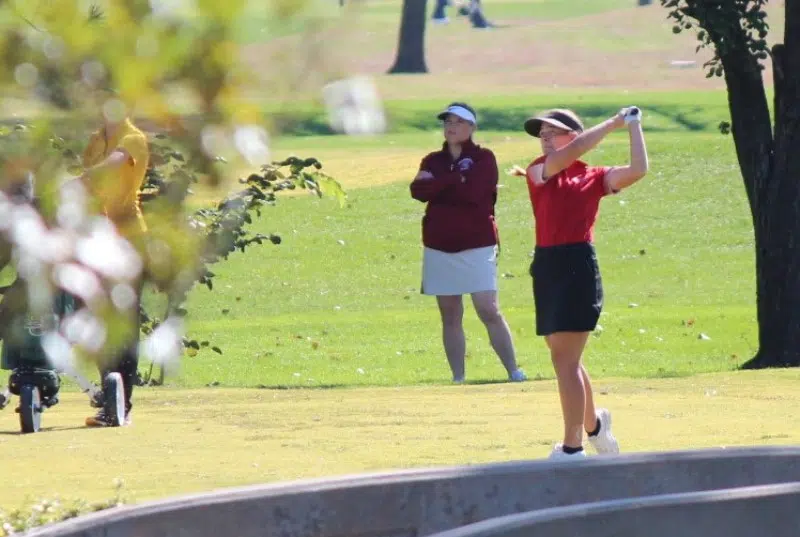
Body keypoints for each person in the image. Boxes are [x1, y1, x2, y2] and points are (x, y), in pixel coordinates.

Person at [509, 107, 648, 459]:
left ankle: (572, 449)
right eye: (541, 135)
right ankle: (596, 428)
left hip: (577, 265)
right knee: (564, 358)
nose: (544, 140)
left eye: (551, 133)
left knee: (566, 362)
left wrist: (632, 127)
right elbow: (571, 154)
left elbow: (637, 171)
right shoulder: (538, 170)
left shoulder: (593, 176)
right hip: (547, 264)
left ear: (573, 134)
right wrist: (614, 123)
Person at [411, 102, 526, 384]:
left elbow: (474, 193)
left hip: (477, 242)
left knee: (488, 308)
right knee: (450, 314)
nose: (451, 126)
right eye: (447, 121)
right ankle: (458, 377)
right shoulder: (431, 160)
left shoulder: (485, 158)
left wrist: (440, 184)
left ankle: (513, 371)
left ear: (472, 127)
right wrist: (455, 179)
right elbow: (418, 191)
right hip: (439, 243)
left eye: (459, 122)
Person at [79, 96, 150, 427]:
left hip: (129, 239)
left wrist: (80, 179)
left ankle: (123, 403)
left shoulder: (133, 138)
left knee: (124, 321)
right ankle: (111, 399)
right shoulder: (96, 140)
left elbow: (113, 166)